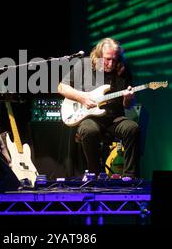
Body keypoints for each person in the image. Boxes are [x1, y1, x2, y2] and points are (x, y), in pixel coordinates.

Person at [58, 38, 140, 179]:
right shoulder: (84, 64)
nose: (111, 63)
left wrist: (128, 98)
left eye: (115, 60)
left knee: (132, 128)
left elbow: (128, 106)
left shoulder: (123, 70)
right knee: (89, 130)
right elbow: (61, 87)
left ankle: (129, 177)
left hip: (114, 118)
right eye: (107, 59)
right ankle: (94, 175)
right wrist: (81, 97)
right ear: (99, 55)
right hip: (90, 118)